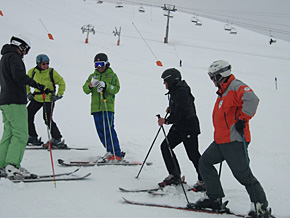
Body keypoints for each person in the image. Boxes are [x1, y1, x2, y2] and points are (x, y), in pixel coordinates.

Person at [190, 60, 273, 217]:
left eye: (213, 77)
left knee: (243, 174)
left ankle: (260, 206)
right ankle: (214, 198)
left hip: (234, 140)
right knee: (205, 162)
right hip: (221, 140)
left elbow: (252, 99)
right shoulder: (224, 90)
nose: (212, 81)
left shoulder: (235, 86)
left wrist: (242, 119)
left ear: (221, 75)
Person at [0, 35, 45, 179]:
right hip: (15, 102)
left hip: (6, 102)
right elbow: (19, 76)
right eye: (25, 50)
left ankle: (2, 164)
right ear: (21, 46)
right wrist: (37, 85)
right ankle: (12, 165)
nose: (25, 53)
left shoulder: (4, 58)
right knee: (20, 134)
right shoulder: (14, 57)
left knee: (9, 134)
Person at [157, 68, 204, 191]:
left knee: (193, 154)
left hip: (188, 127)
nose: (164, 84)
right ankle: (175, 175)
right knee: (165, 146)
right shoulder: (176, 90)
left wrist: (166, 120)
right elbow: (180, 107)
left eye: (165, 81)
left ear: (171, 81)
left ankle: (204, 181)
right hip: (179, 126)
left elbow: (182, 112)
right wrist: (171, 108)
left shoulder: (181, 91)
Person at [82, 53, 123, 162]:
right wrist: (90, 86)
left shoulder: (112, 75)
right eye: (96, 65)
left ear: (106, 64)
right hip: (96, 108)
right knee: (100, 131)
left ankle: (117, 153)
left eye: (101, 64)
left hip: (107, 106)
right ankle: (110, 151)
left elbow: (116, 89)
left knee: (108, 129)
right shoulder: (93, 76)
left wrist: (106, 85)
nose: (99, 67)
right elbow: (85, 90)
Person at [26, 54, 66, 148]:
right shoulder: (32, 72)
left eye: (47, 63)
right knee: (28, 114)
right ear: (38, 64)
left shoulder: (51, 72)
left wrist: (59, 95)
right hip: (37, 98)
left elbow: (61, 82)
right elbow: (26, 82)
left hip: (48, 98)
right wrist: (28, 93)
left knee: (47, 118)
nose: (46, 66)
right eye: (43, 64)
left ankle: (57, 138)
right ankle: (32, 136)